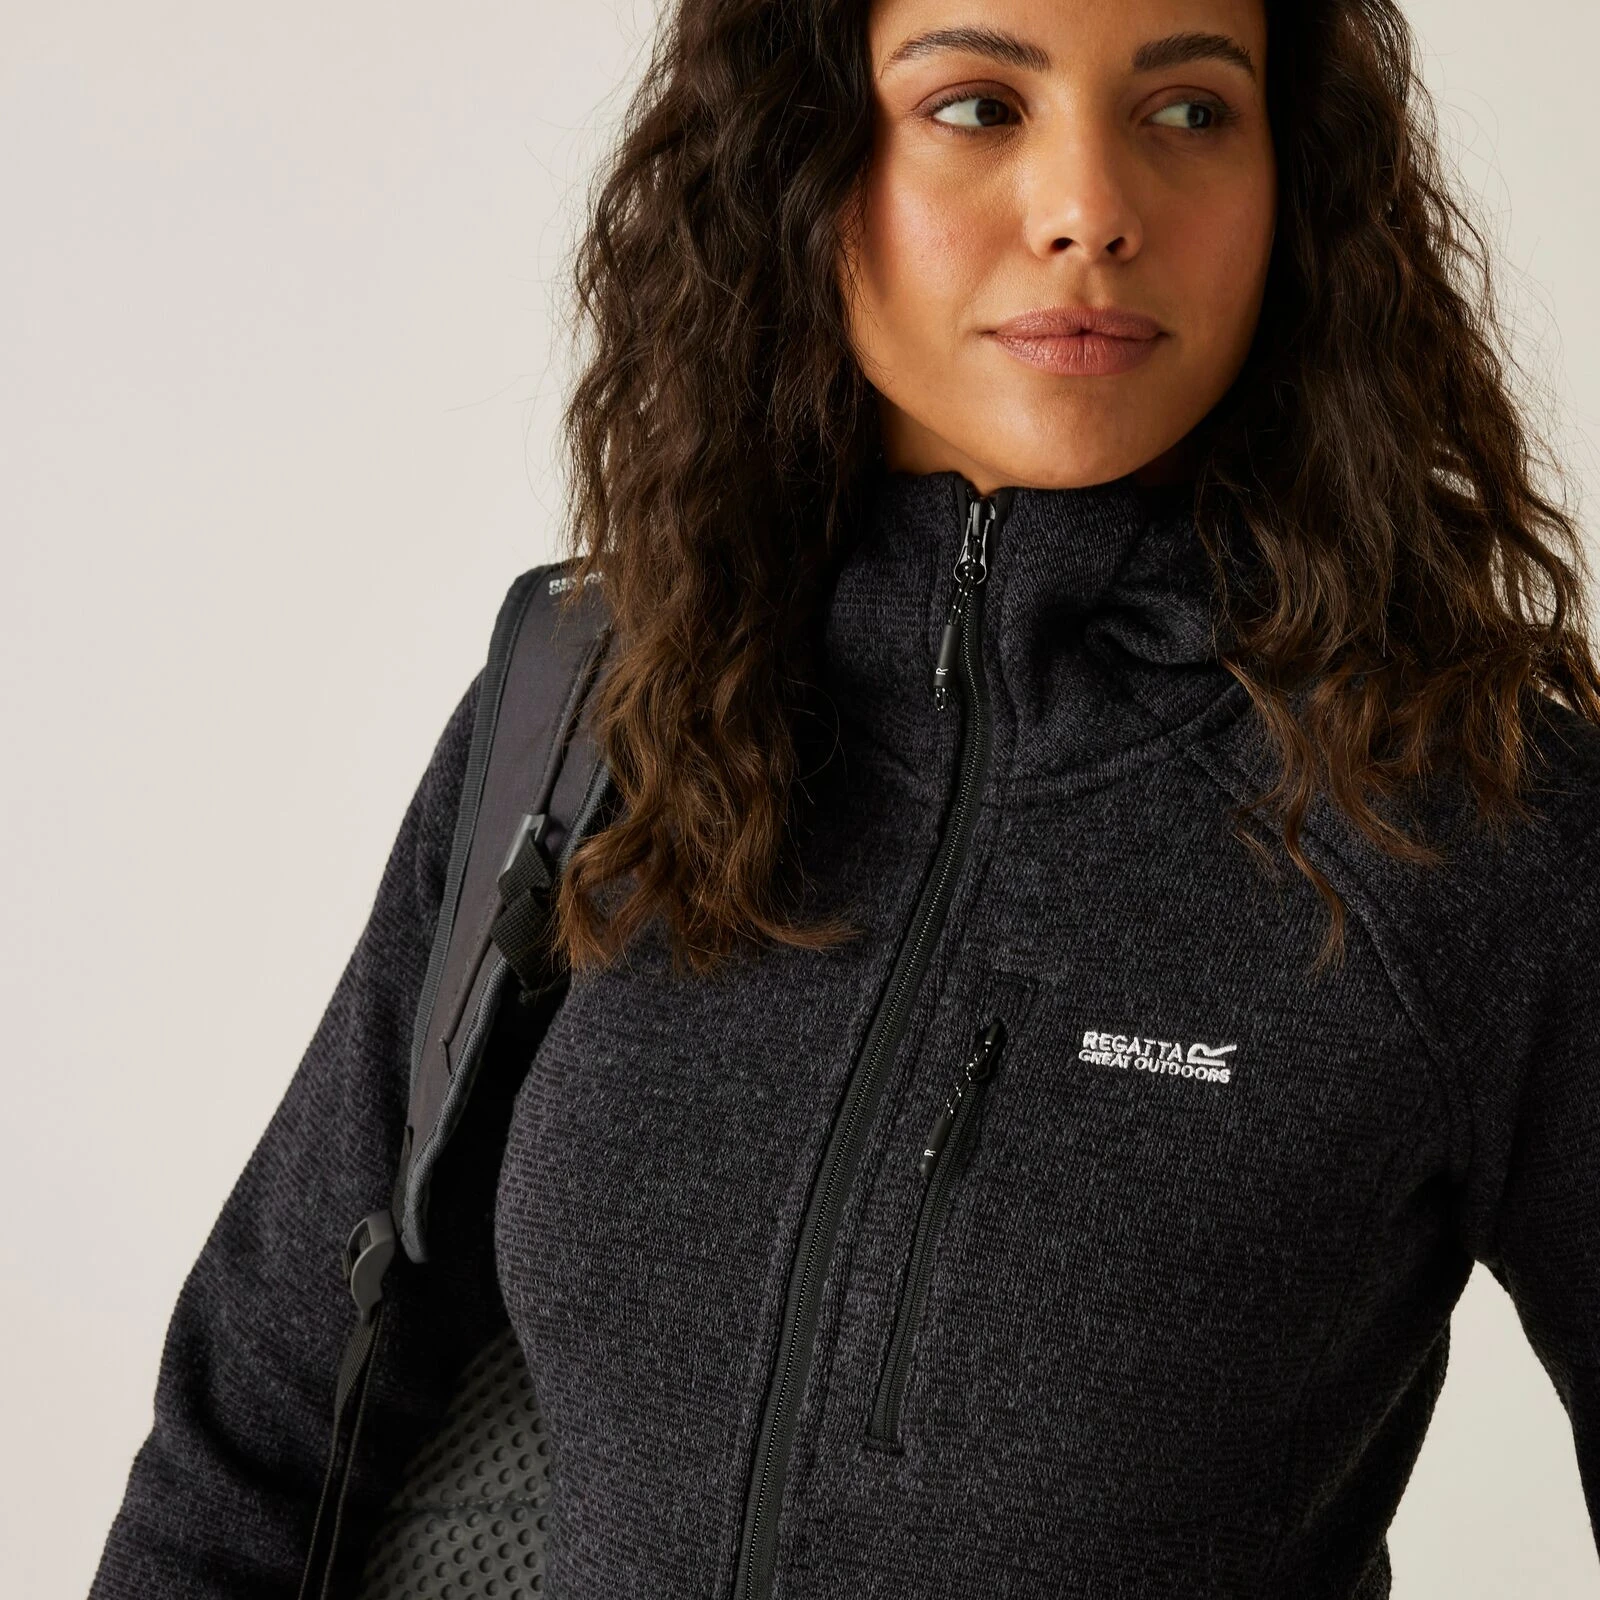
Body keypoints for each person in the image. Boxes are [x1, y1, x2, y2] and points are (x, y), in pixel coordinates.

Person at [89, 0, 1600, 1596]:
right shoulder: (605, 713)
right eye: (978, 106)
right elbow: (259, 1448)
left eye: (1189, 112)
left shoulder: (1466, 814)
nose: (1091, 207)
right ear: (804, 160)